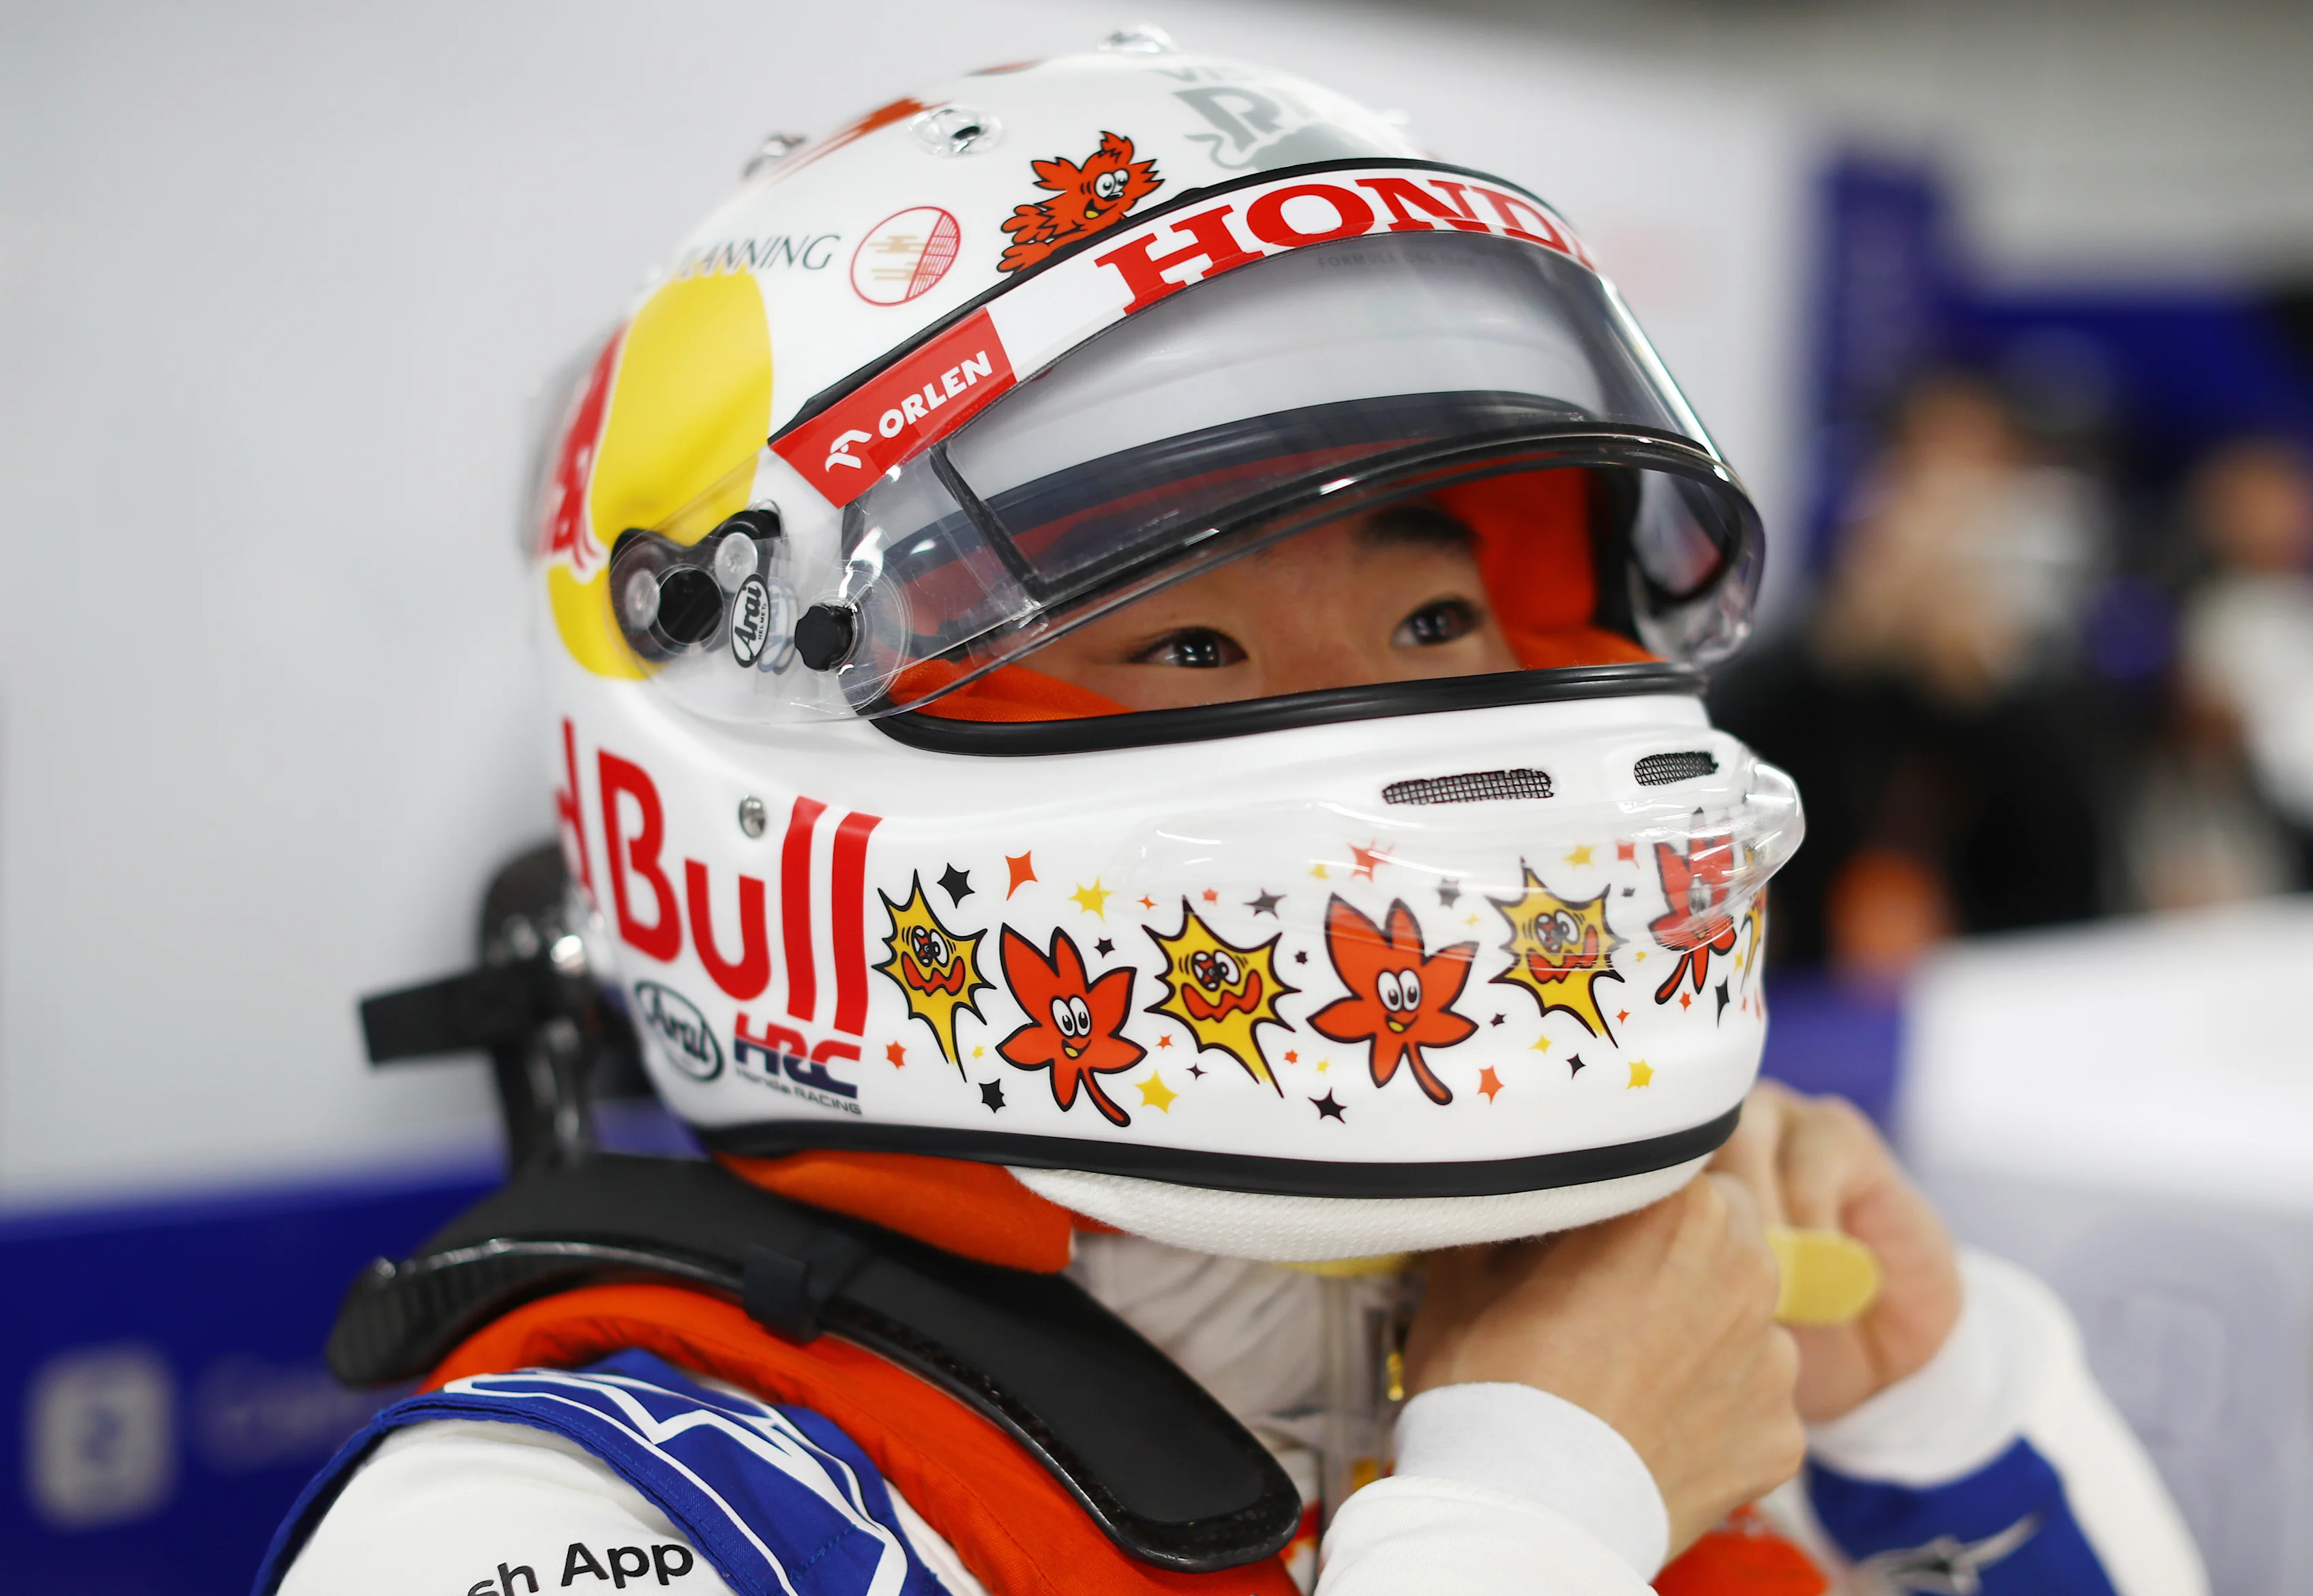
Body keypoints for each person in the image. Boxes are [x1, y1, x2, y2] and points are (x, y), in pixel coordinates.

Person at [258, 40, 2205, 1596]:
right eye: (1185, 641)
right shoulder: (568, 1522)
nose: (1399, 720)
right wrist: (1522, 1532)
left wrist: (1944, 1419)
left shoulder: (1665, 1360)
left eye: (1437, 616)